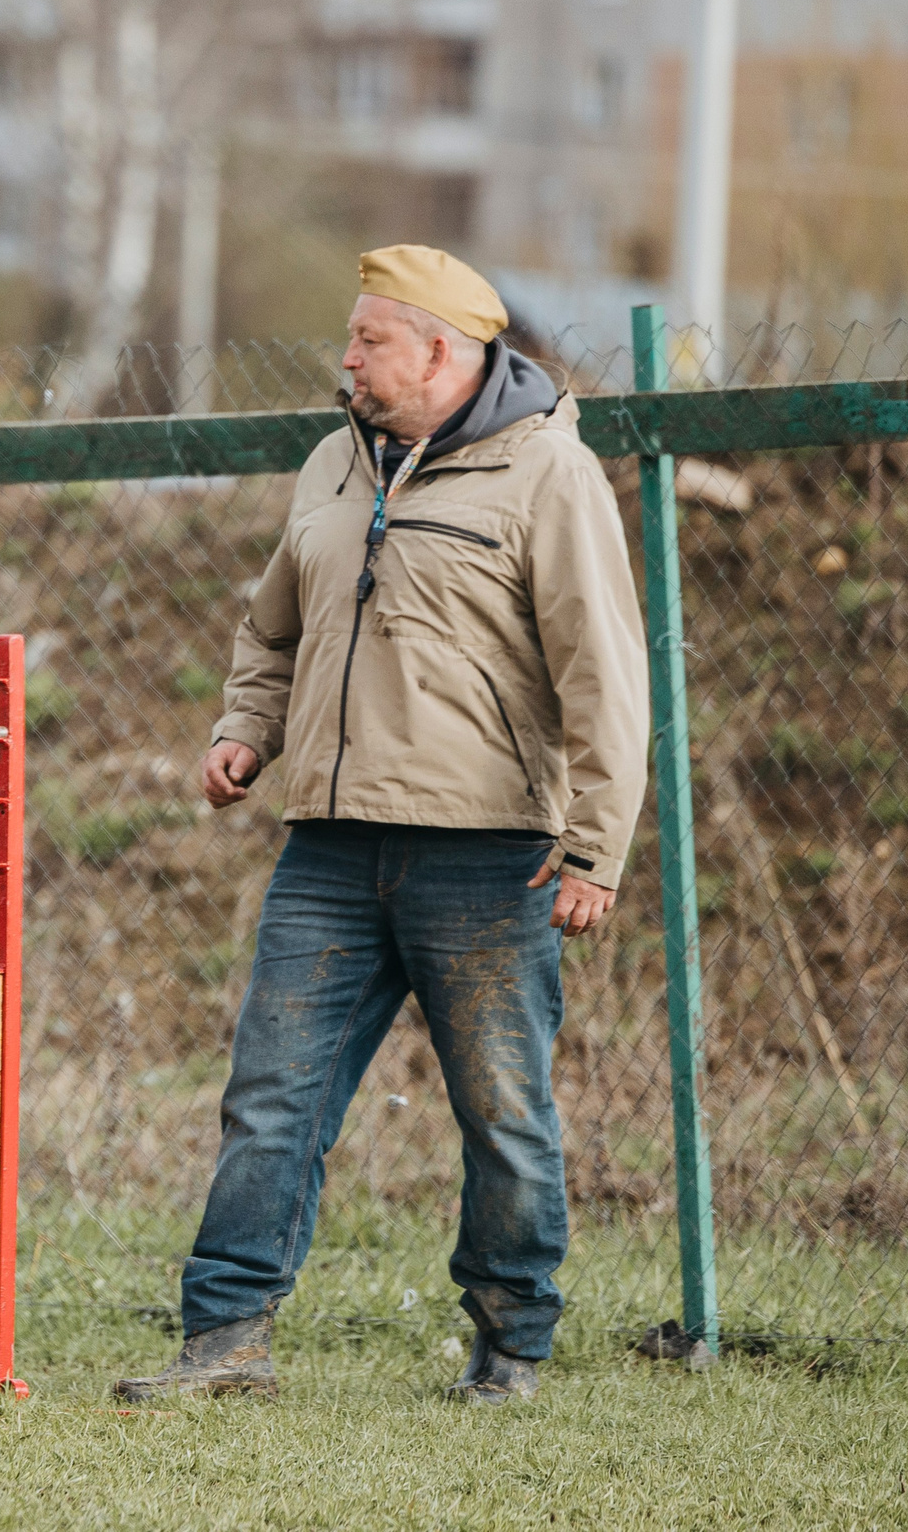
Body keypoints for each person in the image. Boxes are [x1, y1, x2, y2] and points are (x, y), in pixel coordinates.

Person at [112, 246, 649, 1406]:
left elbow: (607, 676)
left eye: (367, 341)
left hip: (492, 856)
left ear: (442, 354)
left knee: (503, 1115)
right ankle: (224, 1344)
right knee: (269, 1099)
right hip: (328, 849)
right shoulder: (331, 462)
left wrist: (596, 848)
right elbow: (273, 627)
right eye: (349, 338)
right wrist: (243, 729)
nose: (343, 358)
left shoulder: (549, 476)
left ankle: (510, 1348)